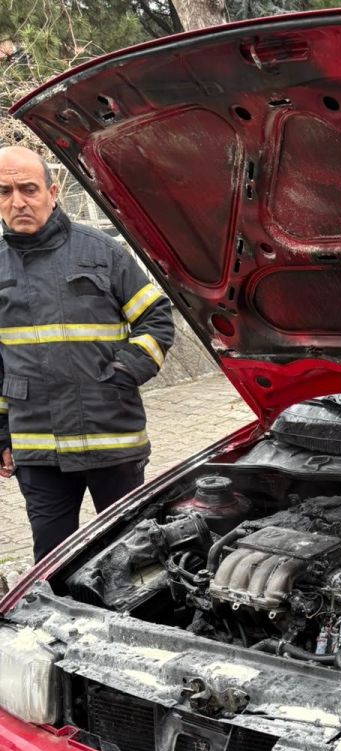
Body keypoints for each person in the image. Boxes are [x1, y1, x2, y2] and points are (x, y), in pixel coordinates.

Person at [0, 145, 174, 562]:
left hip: (111, 436)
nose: (18, 202)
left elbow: (156, 318)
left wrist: (123, 373)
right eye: (4, 192)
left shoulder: (103, 252)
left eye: (28, 189)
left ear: (52, 191)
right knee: (54, 561)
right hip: (38, 447)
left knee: (131, 555)